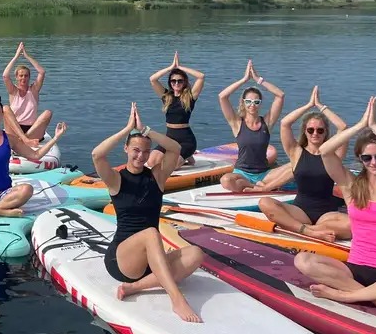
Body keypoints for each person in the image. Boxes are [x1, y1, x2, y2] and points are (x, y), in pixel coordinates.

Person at [294, 97, 376, 313]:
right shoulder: (351, 187)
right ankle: (373, 298)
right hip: (353, 270)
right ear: (360, 159)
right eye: (367, 158)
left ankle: (347, 296)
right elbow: (326, 151)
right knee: (303, 260)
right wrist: (359, 126)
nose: (374, 162)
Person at [92, 102, 204, 322]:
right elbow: (97, 155)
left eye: (145, 151)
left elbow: (176, 149)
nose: (140, 156)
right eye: (135, 150)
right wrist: (127, 130)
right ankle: (177, 299)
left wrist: (147, 131)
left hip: (151, 261)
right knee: (151, 233)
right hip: (123, 260)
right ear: (126, 149)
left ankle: (135, 287)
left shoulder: (157, 176)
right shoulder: (116, 180)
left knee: (196, 254)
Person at [254, 85, 350, 242]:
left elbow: (343, 127)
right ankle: (309, 231)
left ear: (326, 133)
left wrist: (321, 106)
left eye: (320, 130)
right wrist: (308, 105)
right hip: (299, 211)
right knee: (264, 202)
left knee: (353, 225)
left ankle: (303, 229)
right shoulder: (296, 152)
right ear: (305, 131)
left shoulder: (333, 155)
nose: (315, 133)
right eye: (310, 130)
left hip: (326, 215)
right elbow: (285, 123)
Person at [217, 60, 287, 192]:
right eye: (248, 101)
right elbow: (222, 97)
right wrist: (244, 80)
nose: (252, 105)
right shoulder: (237, 123)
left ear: (260, 103)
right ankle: (257, 187)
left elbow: (280, 95)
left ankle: (260, 186)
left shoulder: (267, 122)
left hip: (264, 173)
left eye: (256, 101)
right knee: (226, 180)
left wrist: (257, 79)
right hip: (242, 173)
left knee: (294, 166)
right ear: (243, 103)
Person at [148, 51, 206, 169]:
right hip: (169, 138)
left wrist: (180, 67)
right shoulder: (166, 96)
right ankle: (186, 157)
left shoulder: (190, 97)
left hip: (186, 140)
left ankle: (187, 154)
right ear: (170, 83)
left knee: (170, 166)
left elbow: (201, 76)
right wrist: (171, 67)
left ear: (184, 82)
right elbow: (153, 79)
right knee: (151, 162)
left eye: (180, 80)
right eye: (173, 81)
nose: (176, 83)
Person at [2, 42, 52, 141]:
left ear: (29, 77)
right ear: (16, 77)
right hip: (15, 130)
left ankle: (24, 139)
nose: (23, 78)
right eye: (21, 75)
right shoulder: (13, 91)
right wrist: (16, 56)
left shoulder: (34, 90)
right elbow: (5, 75)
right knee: (5, 108)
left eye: (26, 75)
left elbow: (42, 72)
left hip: (32, 130)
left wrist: (26, 56)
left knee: (48, 113)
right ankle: (24, 139)